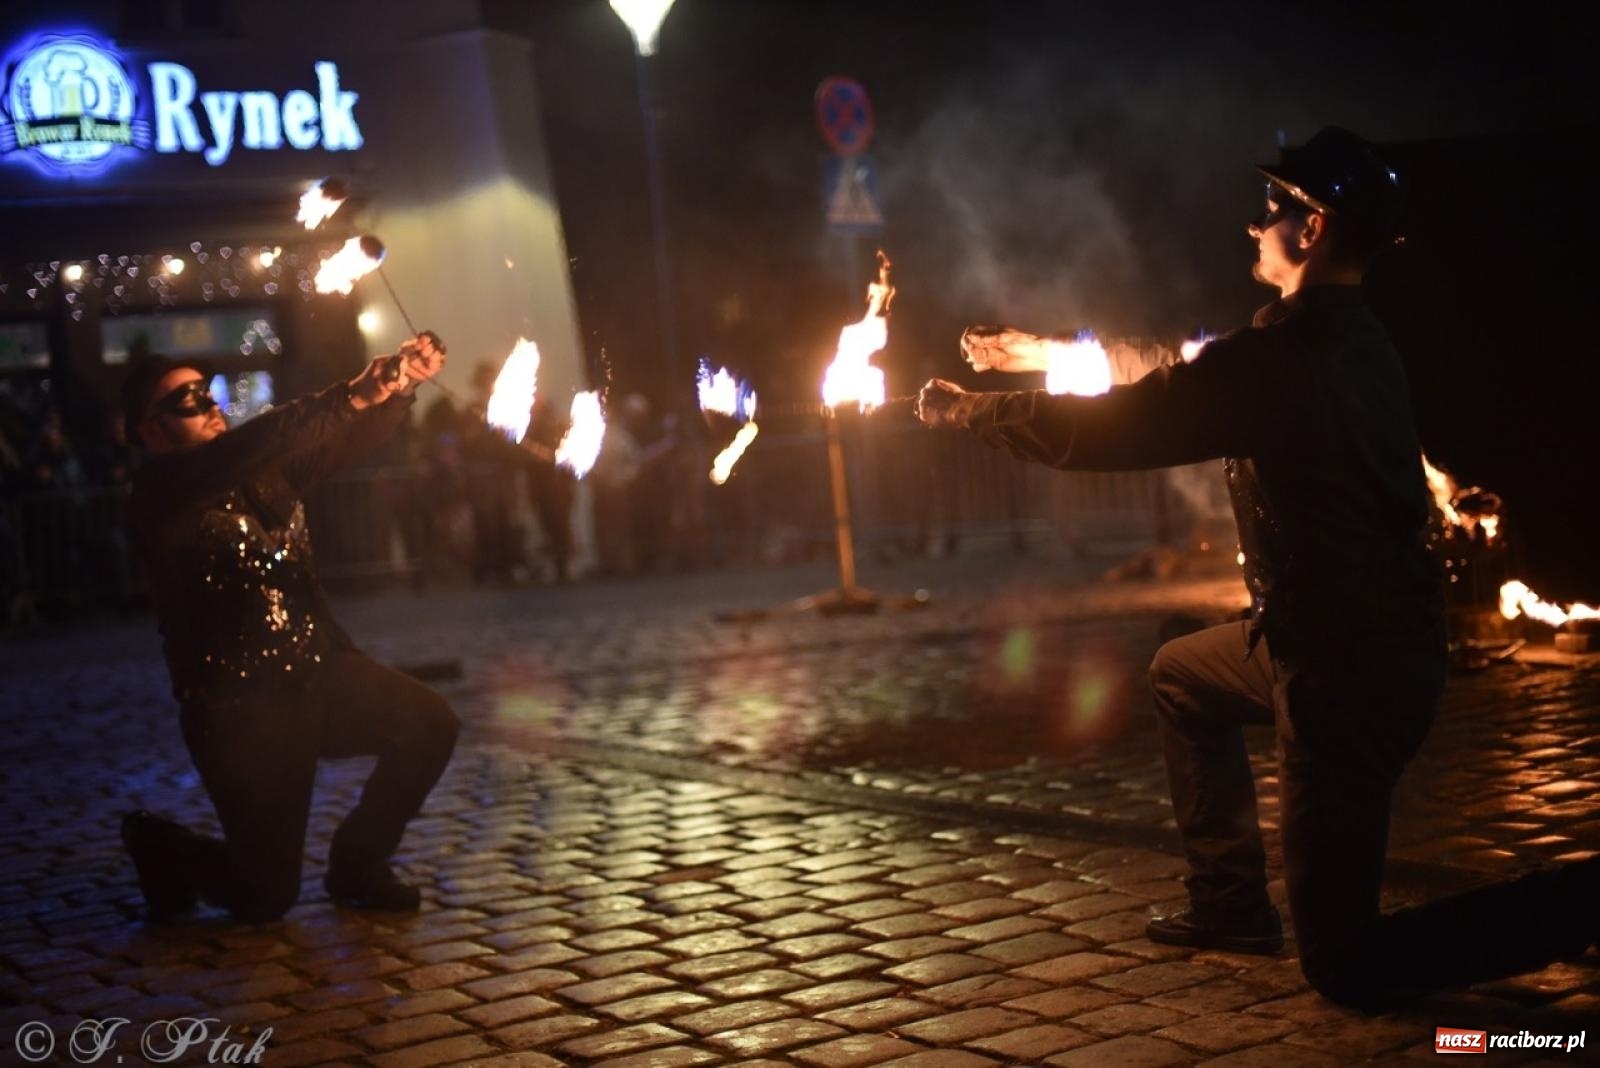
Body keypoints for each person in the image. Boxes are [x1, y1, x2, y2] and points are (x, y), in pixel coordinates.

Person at [916, 127, 1599, 1008]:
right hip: (1329, 641)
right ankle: (1229, 903)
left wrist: (979, 413)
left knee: (1347, 965)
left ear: (1311, 230)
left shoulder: (1286, 359)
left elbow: (1127, 423)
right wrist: (1039, 356)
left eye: (1273, 208)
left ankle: (1576, 905)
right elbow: (1180, 368)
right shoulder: (1346, 341)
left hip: (1345, 673)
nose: (1254, 223)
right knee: (1179, 676)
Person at [118, 334, 460, 922]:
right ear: (149, 430)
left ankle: (358, 865)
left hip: (318, 673)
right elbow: (269, 437)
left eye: (209, 392)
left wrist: (399, 385)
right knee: (265, 895)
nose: (210, 405)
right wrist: (352, 392)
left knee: (430, 725)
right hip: (240, 713)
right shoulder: (159, 493)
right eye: (188, 400)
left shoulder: (262, 475)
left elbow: (341, 439)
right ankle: (158, 845)